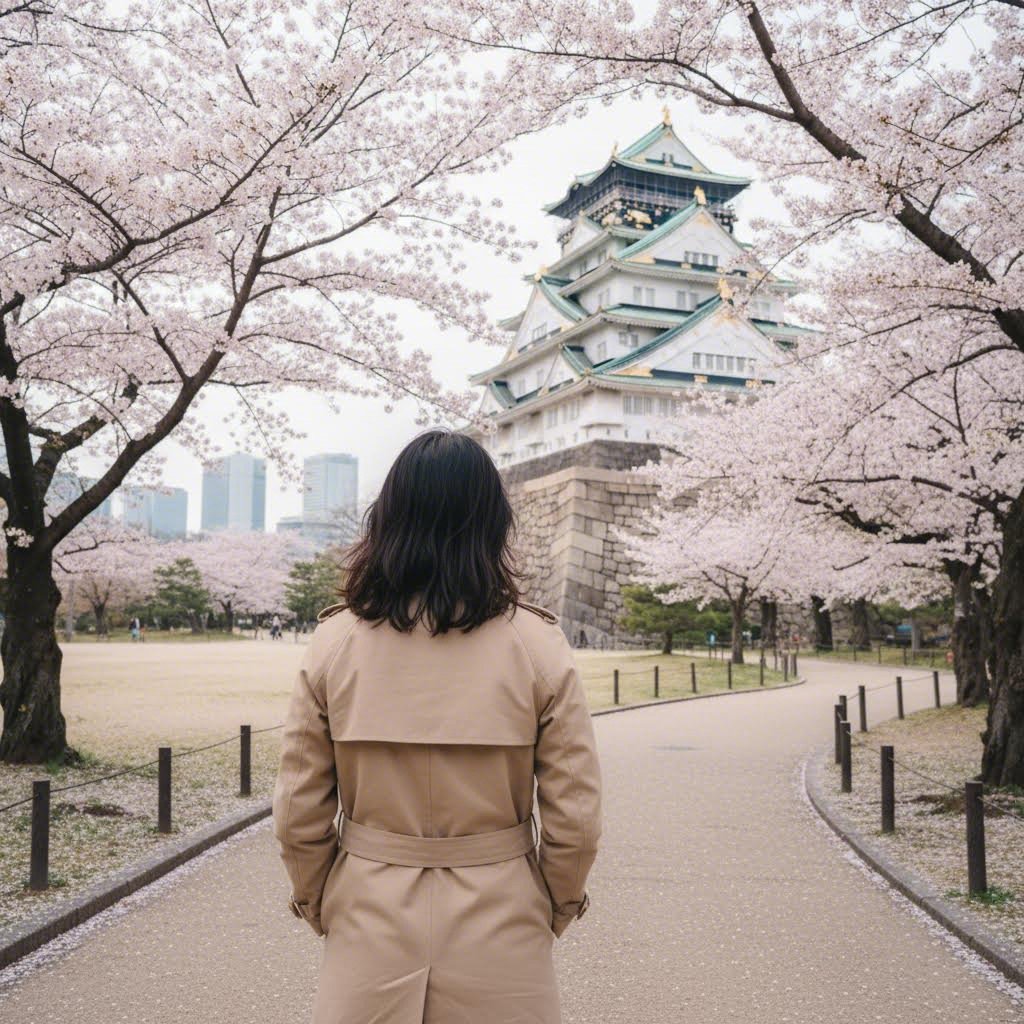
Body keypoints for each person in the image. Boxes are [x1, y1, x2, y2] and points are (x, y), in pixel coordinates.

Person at [272, 430, 602, 1024]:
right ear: (493, 522)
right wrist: (554, 906)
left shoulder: (335, 642)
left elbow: (299, 811)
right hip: (502, 912)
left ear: (387, 519)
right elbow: (575, 818)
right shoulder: (537, 644)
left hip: (369, 910)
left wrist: (320, 900)